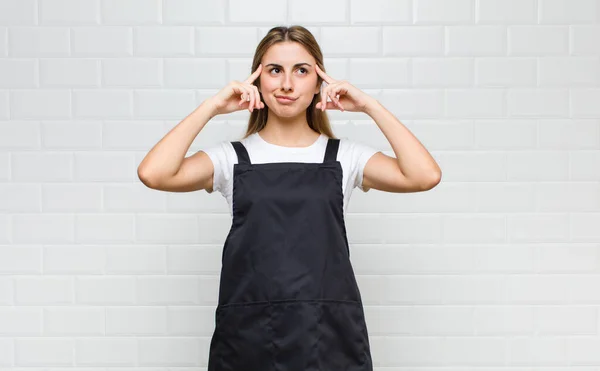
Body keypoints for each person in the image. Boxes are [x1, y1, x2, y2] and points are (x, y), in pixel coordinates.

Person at [138, 25, 441, 371]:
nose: (286, 84)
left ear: (318, 83)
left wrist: (370, 106)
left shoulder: (344, 157)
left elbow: (424, 175)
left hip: (329, 336)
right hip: (247, 338)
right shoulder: (232, 160)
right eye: (274, 70)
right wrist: (212, 106)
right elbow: (154, 173)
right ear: (257, 81)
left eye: (301, 70)